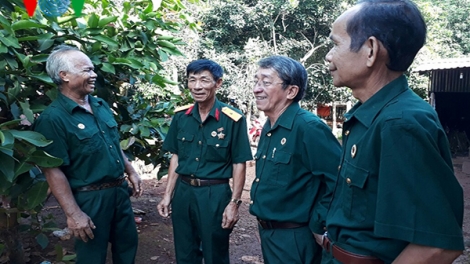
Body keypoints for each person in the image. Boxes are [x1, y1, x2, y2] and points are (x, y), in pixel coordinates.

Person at [321, 1, 464, 263]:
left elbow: (436, 246)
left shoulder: (400, 123)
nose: (328, 56)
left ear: (371, 50)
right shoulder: (371, 115)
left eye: (336, 44)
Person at [33, 45, 142, 264]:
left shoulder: (100, 104)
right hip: (89, 200)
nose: (93, 75)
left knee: (128, 246)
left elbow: (112, 142)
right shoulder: (52, 119)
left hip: (119, 192)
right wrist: (74, 214)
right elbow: (53, 170)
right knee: (92, 257)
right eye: (86, 70)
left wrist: (130, 170)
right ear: (64, 76)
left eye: (93, 70)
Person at [157, 59, 252, 264]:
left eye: (204, 80)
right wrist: (167, 195)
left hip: (214, 194)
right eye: (192, 80)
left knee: (214, 253)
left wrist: (234, 203)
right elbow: (177, 157)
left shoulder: (232, 118)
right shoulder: (181, 116)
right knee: (184, 252)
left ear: (218, 83)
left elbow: (239, 163)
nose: (197, 86)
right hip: (183, 193)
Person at [249, 55, 341, 264]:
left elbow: (339, 180)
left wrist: (319, 222)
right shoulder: (269, 126)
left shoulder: (309, 128)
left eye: (266, 82)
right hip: (269, 233)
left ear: (291, 91)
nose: (257, 88)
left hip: (295, 237)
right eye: (256, 81)